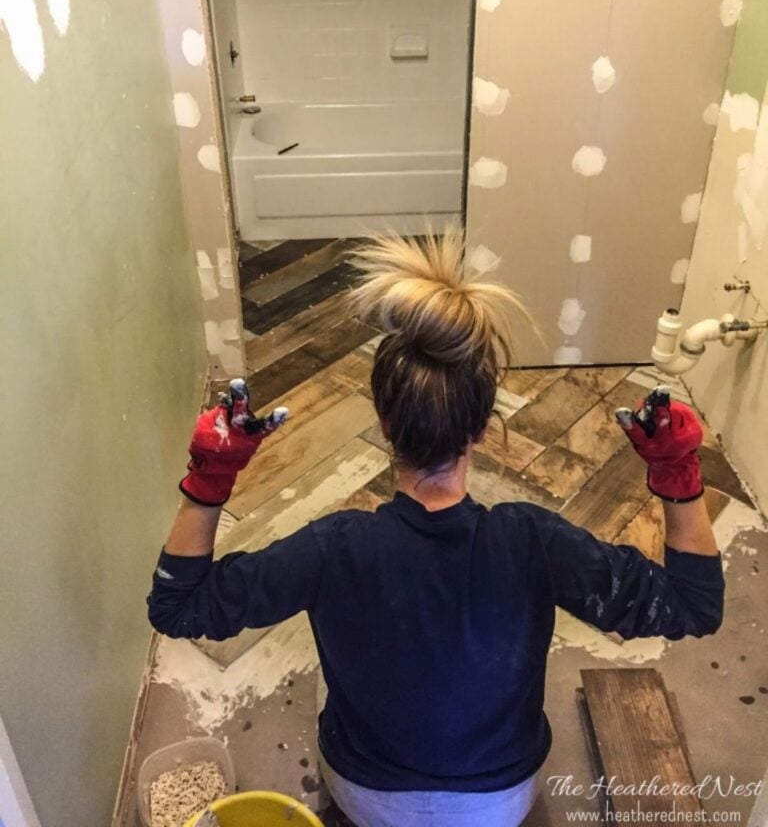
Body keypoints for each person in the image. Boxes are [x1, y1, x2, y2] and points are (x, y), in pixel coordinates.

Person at [147, 229, 724, 827]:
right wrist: (678, 473)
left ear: (382, 420)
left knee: (322, 688)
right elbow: (693, 605)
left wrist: (210, 478)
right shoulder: (531, 542)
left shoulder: (336, 547)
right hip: (500, 801)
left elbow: (178, 607)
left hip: (366, 797)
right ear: (482, 428)